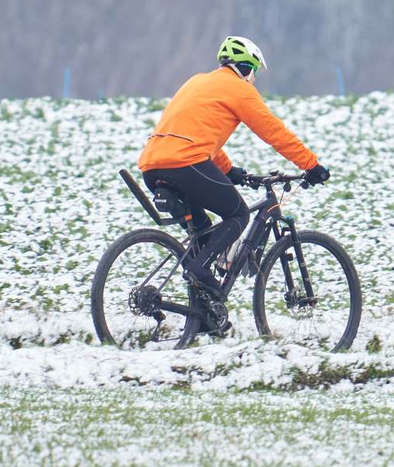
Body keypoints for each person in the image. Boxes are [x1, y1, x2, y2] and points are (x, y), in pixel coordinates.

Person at [138, 35, 329, 300]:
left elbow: (199, 134)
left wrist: (229, 171)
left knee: (203, 236)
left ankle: (202, 316)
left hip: (152, 166)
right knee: (238, 213)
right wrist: (311, 164)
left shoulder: (197, 81)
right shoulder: (239, 90)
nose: (253, 79)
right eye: (253, 72)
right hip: (185, 163)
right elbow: (274, 132)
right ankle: (198, 271)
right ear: (246, 68)